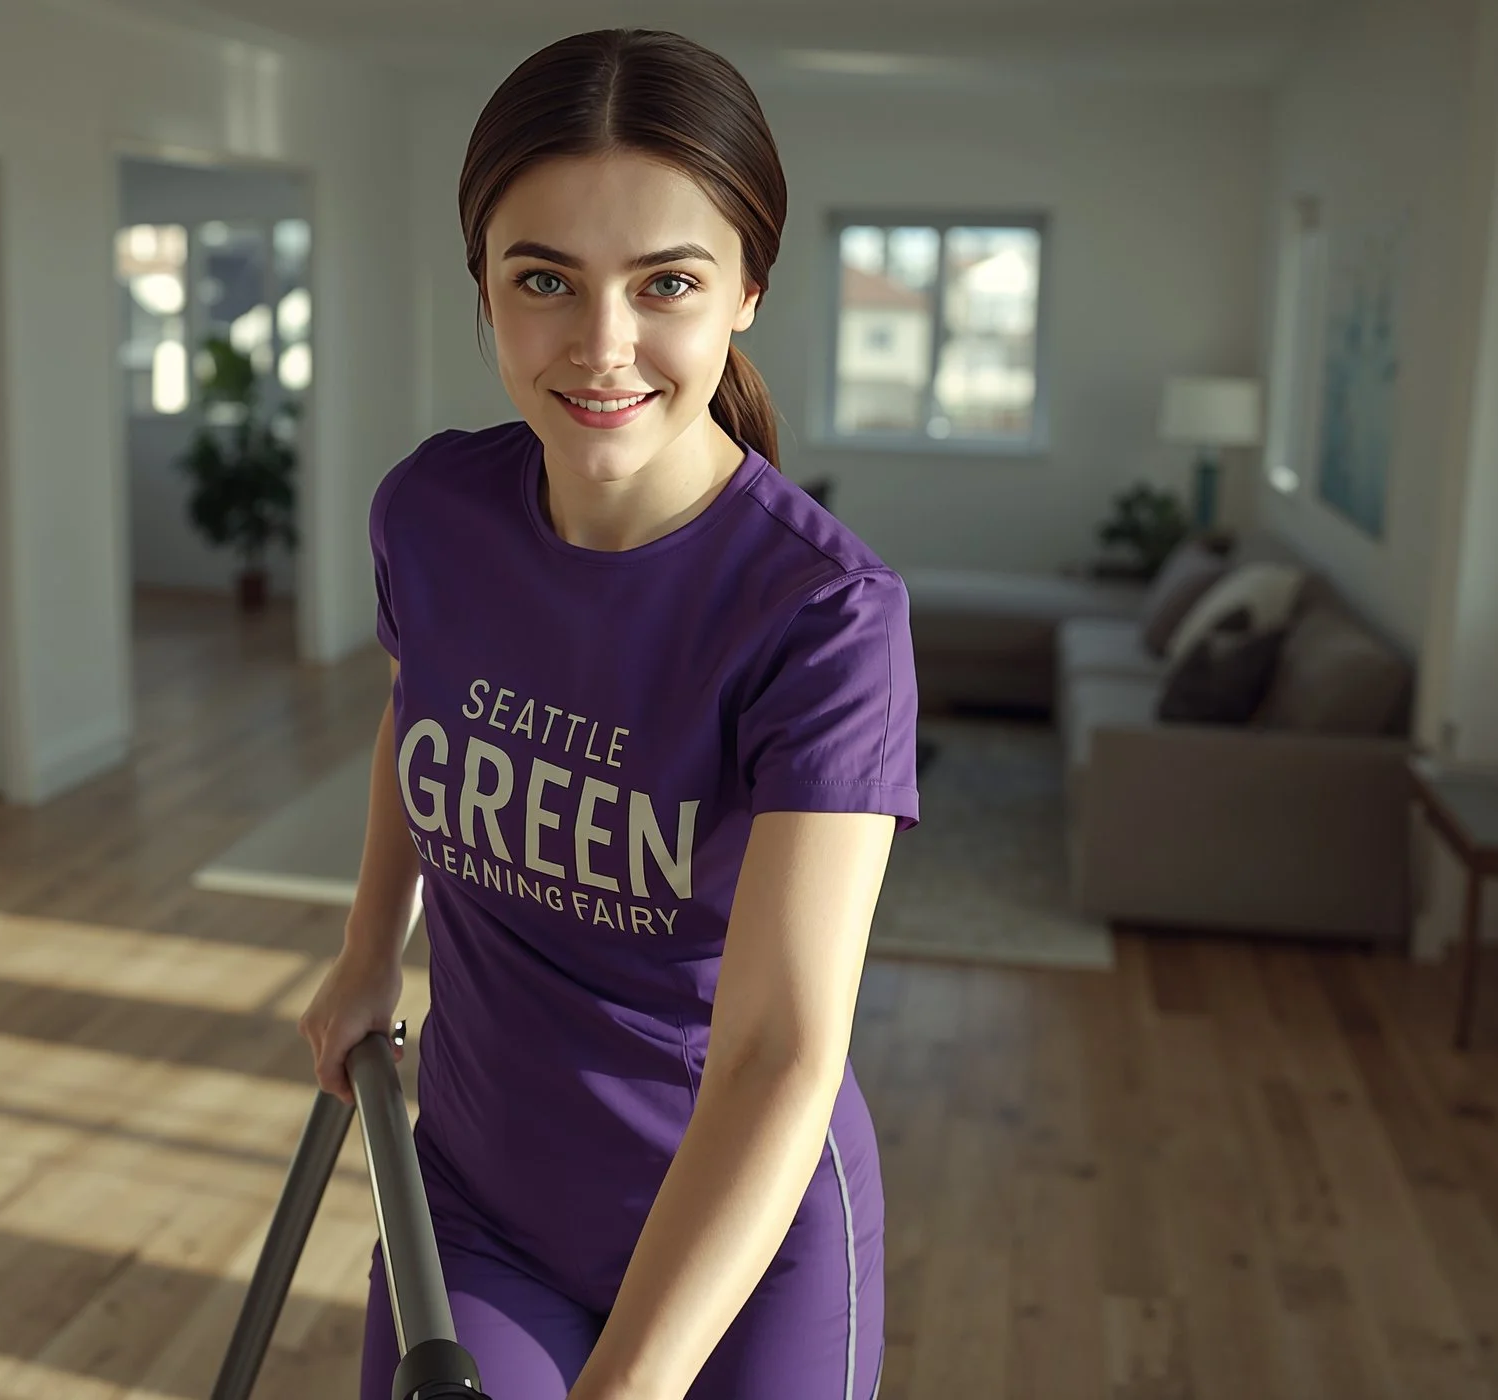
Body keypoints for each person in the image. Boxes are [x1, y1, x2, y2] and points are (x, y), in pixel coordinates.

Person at [296, 28, 919, 1400]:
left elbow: (779, 1047)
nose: (601, 345)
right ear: (484, 285)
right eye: (544, 280)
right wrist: (365, 952)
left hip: (741, 1236)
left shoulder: (823, 616)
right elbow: (419, 715)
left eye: (668, 283)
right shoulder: (434, 513)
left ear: (748, 288)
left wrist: (629, 1386)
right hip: (476, 1192)